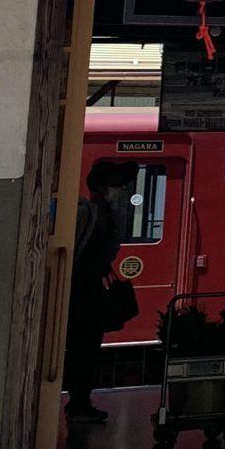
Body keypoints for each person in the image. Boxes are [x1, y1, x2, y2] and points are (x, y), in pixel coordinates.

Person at [64, 159, 135, 424]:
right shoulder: (86, 212)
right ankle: (78, 402)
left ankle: (81, 400)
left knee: (87, 348)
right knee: (82, 347)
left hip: (87, 291)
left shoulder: (103, 213)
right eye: (118, 185)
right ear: (105, 187)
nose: (122, 192)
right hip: (80, 292)